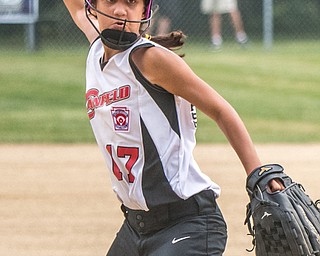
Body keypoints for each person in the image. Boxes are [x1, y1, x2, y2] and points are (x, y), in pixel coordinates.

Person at [63, 0, 284, 255]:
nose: (120, 10)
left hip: (188, 223)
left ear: (144, 12)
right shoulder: (96, 52)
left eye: (131, 2)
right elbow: (77, 7)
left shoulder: (150, 59)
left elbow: (221, 111)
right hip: (136, 227)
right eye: (111, 1)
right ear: (94, 8)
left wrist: (257, 171)